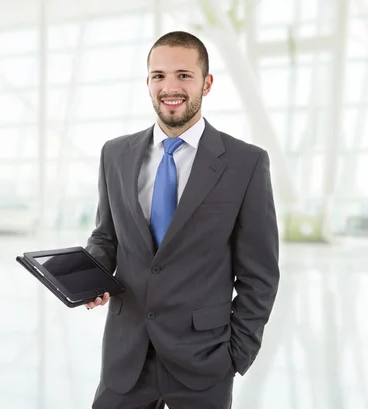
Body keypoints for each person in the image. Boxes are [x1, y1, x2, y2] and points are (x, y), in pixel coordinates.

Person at [84, 31, 280, 409]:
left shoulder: (246, 163)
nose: (170, 87)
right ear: (147, 83)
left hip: (203, 361)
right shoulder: (115, 155)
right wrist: (88, 273)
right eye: (158, 76)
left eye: (183, 75)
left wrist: (236, 355)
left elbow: (260, 274)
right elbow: (106, 237)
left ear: (206, 83)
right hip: (126, 357)